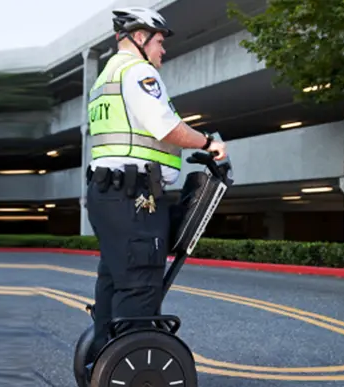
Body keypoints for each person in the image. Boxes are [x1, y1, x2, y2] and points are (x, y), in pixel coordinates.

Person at [84, 6, 227, 365]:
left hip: (109, 195)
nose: (163, 50)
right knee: (139, 283)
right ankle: (133, 368)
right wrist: (209, 143)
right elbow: (165, 127)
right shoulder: (137, 73)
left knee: (114, 280)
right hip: (135, 199)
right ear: (139, 38)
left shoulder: (104, 80)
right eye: (160, 41)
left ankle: (102, 356)